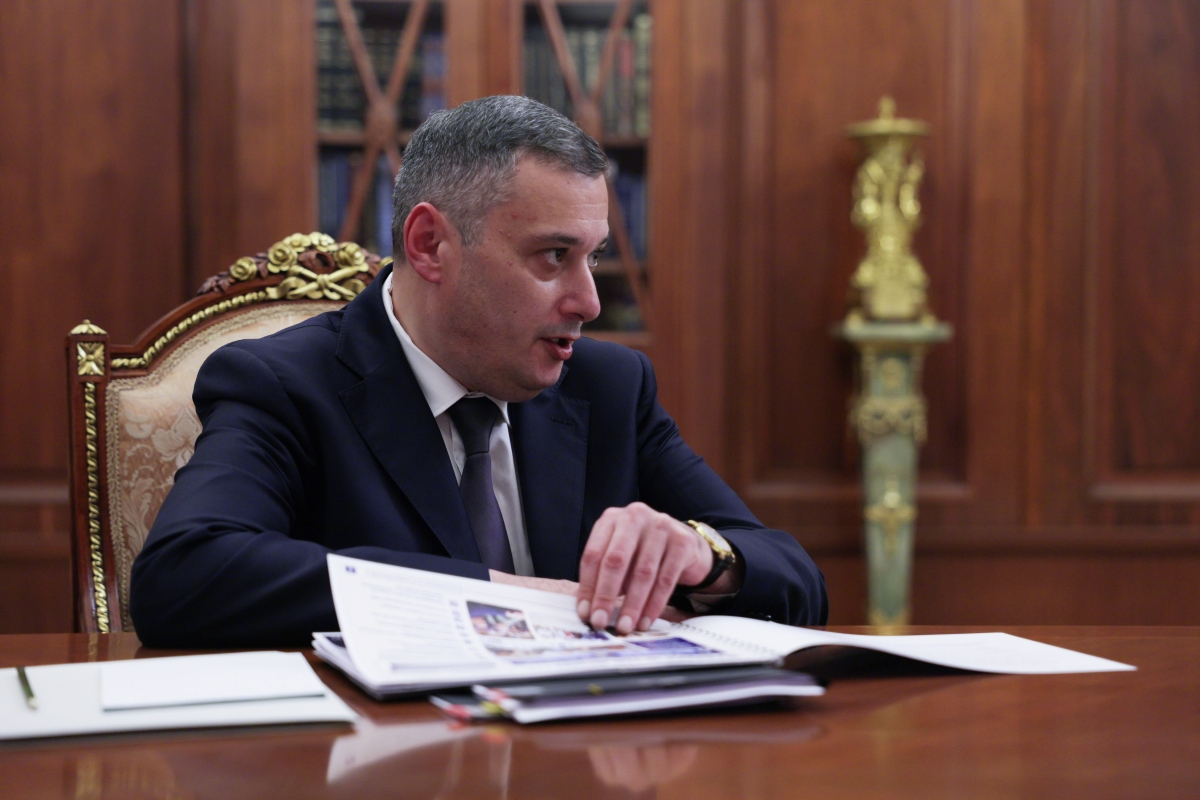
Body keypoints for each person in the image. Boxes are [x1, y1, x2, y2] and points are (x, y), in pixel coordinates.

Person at [130, 96, 827, 647]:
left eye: (593, 257)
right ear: (430, 244)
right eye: (554, 256)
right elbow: (183, 576)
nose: (588, 302)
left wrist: (706, 557)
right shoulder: (285, 383)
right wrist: (501, 595)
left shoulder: (609, 387)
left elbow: (799, 581)